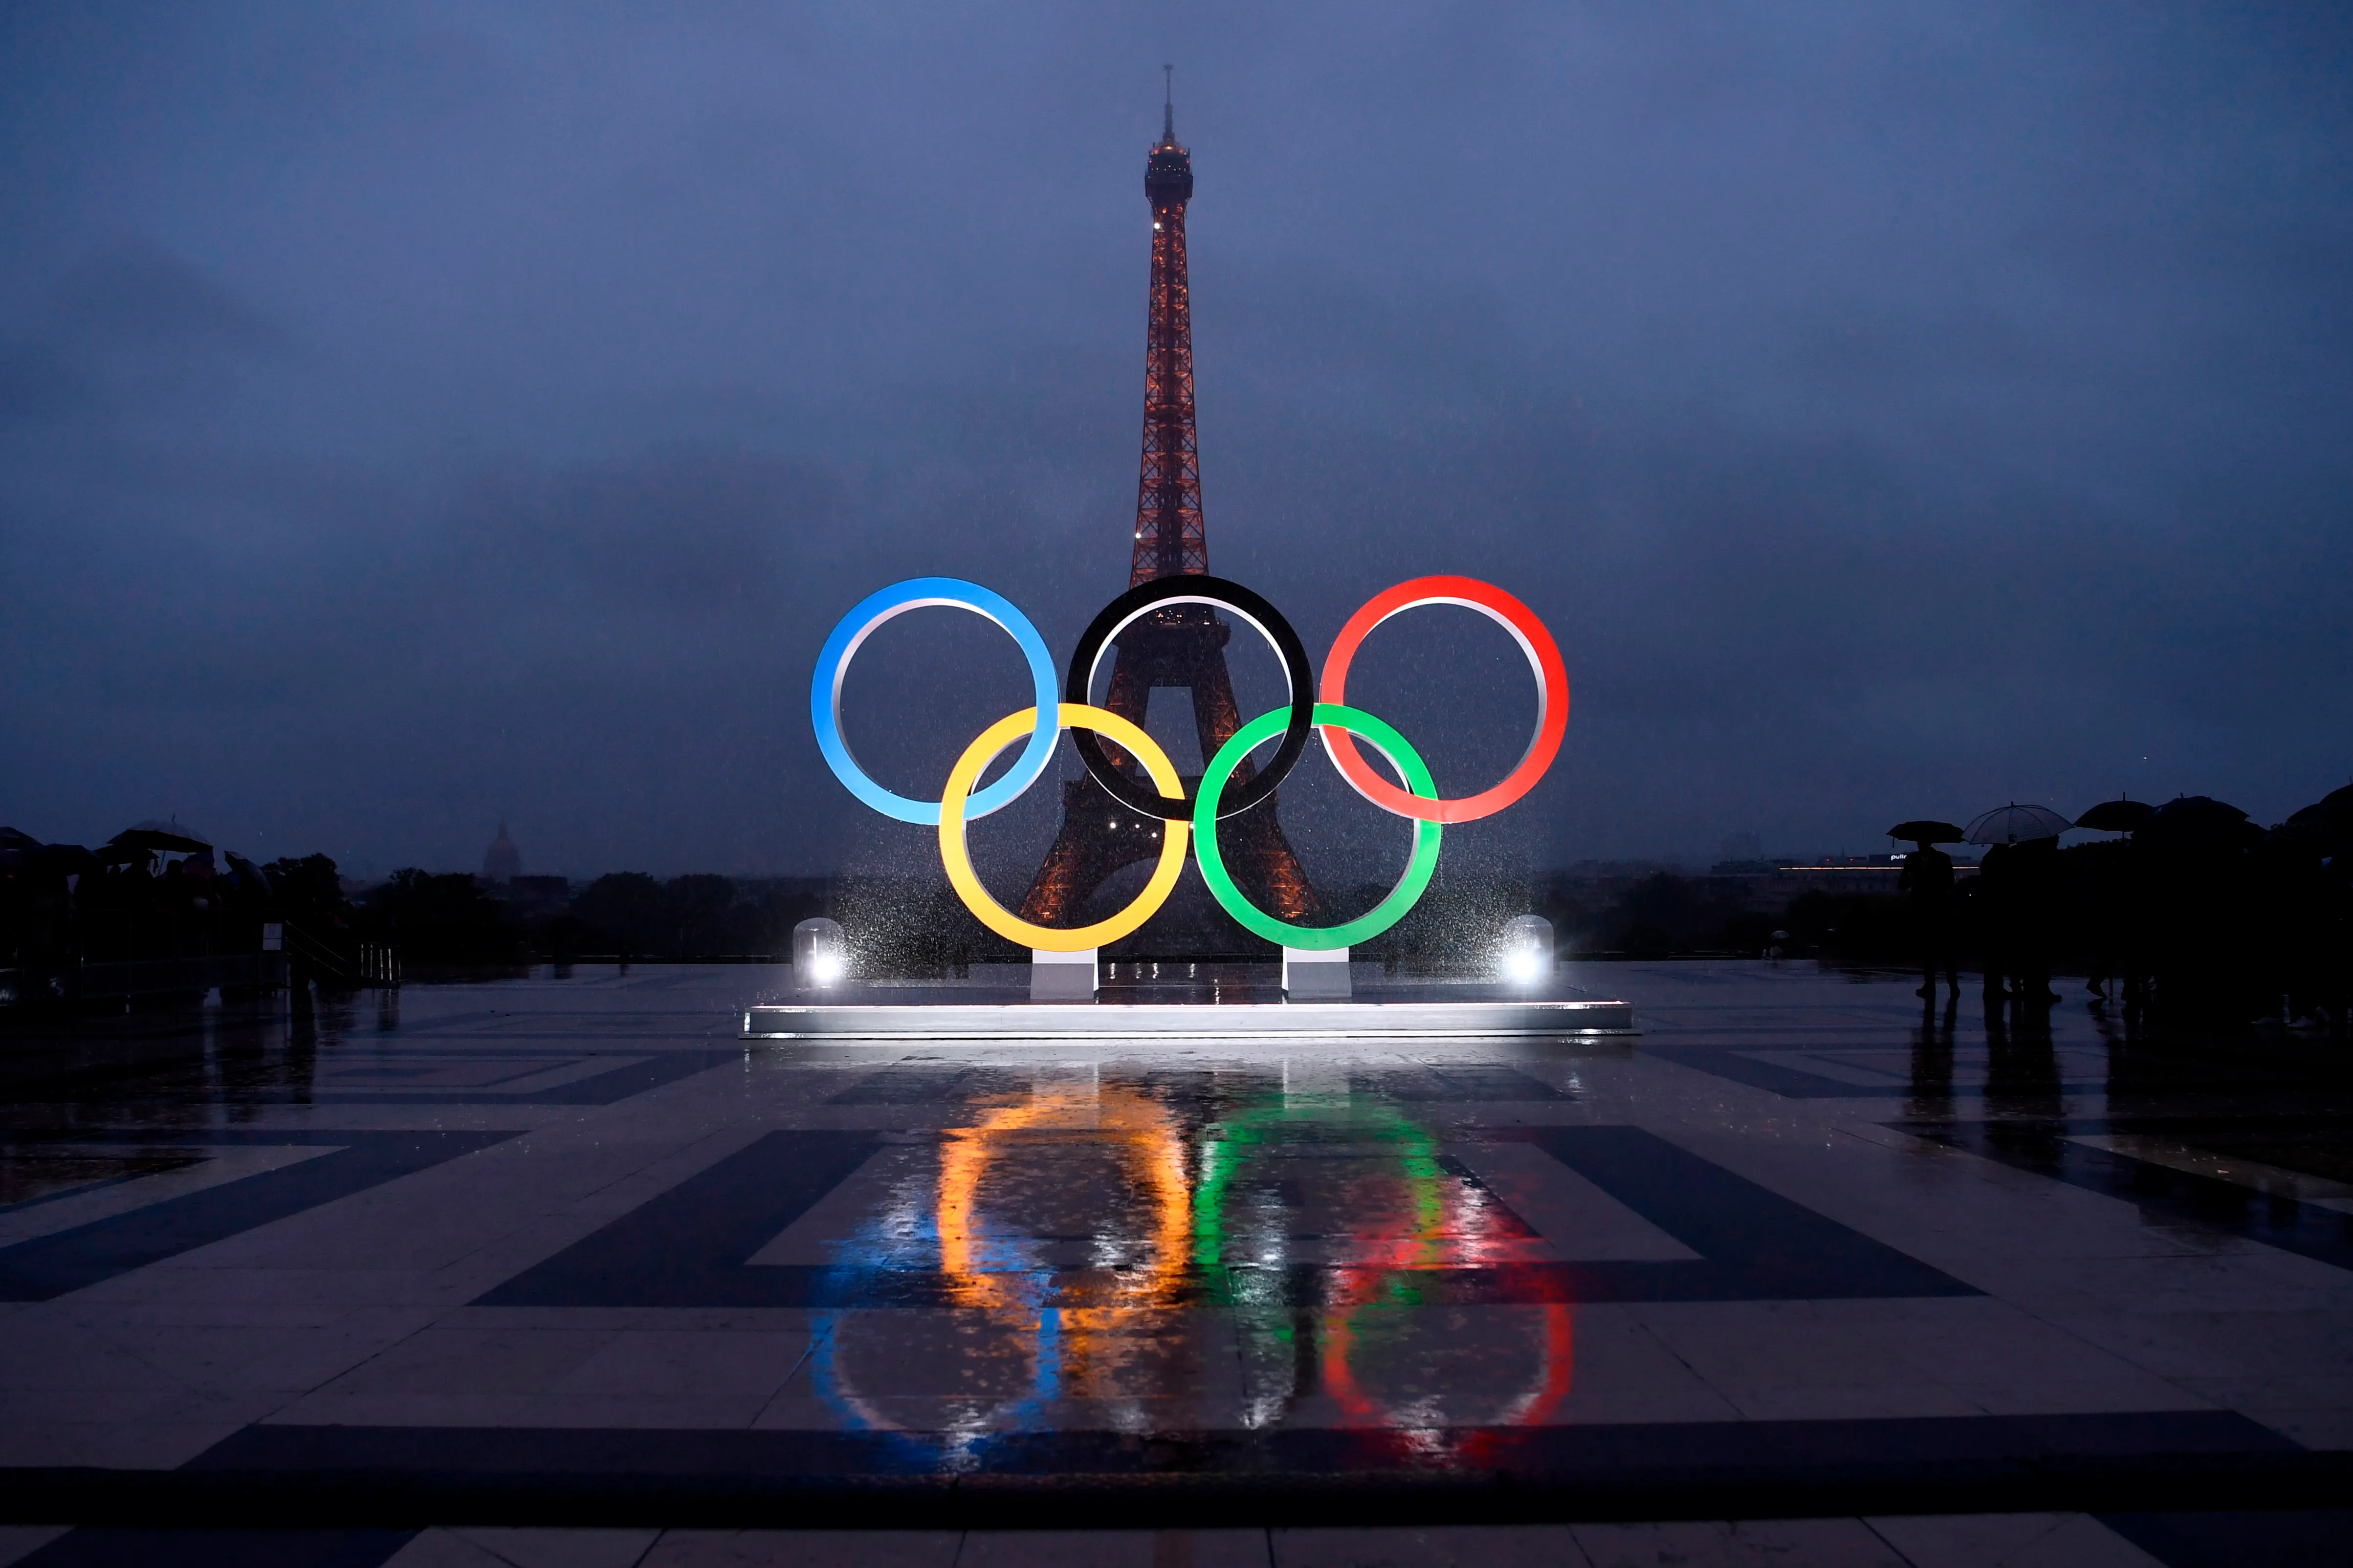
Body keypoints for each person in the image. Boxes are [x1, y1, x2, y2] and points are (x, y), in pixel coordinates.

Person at [1898, 839, 1959, 1000]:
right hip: (1924, 909)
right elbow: (1902, 884)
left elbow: (1949, 881)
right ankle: (1934, 985)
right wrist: (1911, 879)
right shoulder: (1912, 860)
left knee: (1944, 950)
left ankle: (1951, 985)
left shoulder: (1942, 859)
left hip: (1939, 908)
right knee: (1928, 950)